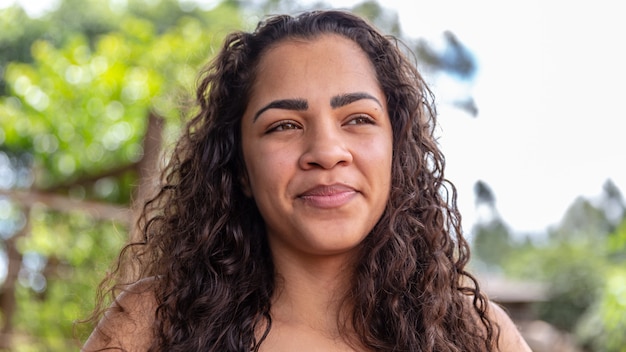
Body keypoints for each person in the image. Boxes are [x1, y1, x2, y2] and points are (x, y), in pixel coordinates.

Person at [82, 9, 532, 352]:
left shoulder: (476, 335)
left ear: (398, 152)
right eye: (284, 126)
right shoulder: (151, 324)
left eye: (357, 118)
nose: (326, 151)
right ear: (238, 168)